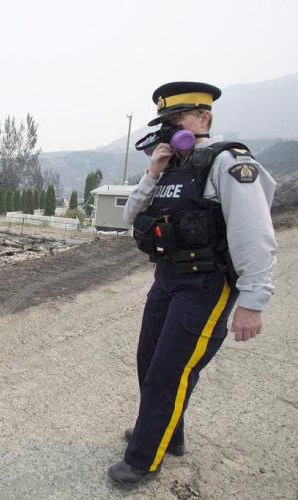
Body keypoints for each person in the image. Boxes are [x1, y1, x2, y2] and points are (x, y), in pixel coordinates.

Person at [107, 82, 278, 487]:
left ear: (204, 119)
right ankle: (169, 432)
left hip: (206, 283)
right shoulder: (170, 168)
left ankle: (143, 459)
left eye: (176, 120)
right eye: (164, 123)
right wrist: (152, 173)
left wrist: (254, 301)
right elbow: (130, 214)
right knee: (150, 362)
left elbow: (253, 232)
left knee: (169, 370)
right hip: (167, 278)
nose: (169, 130)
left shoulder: (229, 164)